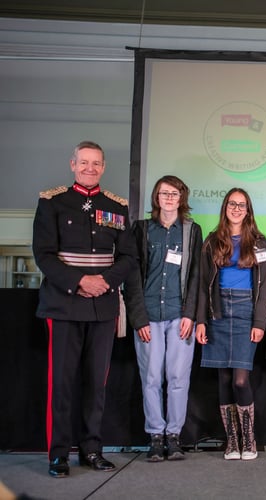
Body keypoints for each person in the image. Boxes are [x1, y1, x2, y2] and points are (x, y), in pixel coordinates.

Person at [33, 140, 138, 478]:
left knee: (97, 384)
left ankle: (91, 450)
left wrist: (104, 281)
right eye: (84, 162)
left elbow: (128, 257)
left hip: (102, 307)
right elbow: (44, 254)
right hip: (64, 304)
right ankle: (58, 455)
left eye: (96, 163)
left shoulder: (116, 207)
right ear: (73, 164)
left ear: (103, 167)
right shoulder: (53, 203)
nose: (90, 168)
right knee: (61, 384)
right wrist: (80, 281)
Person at [123, 175, 203, 462]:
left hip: (179, 316)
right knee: (152, 377)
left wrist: (190, 314)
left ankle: (174, 436)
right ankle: (155, 435)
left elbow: (196, 276)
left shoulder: (191, 231)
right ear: (156, 198)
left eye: (174, 194)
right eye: (163, 193)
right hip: (149, 317)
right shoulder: (142, 230)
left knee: (178, 378)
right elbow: (131, 276)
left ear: (181, 199)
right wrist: (138, 318)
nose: (169, 198)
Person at [195, 188, 266, 461]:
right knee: (224, 379)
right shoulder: (212, 240)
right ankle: (232, 442)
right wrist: (201, 321)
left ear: (248, 210)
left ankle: (249, 440)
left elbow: (265, 288)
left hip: (245, 311)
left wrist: (259, 321)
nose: (236, 209)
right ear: (225, 207)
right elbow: (203, 286)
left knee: (240, 379)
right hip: (217, 311)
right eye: (232, 204)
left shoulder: (259, 242)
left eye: (242, 205)